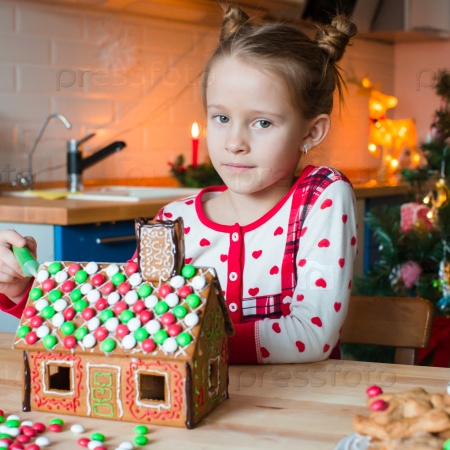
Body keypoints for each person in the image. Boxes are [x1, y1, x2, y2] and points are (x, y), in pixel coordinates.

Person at [0, 4, 358, 364]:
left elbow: (312, 335)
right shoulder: (174, 219)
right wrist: (23, 291)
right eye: (221, 117)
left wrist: (179, 342)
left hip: (299, 409)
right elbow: (123, 318)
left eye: (262, 123)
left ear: (311, 131)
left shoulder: (320, 197)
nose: (235, 142)